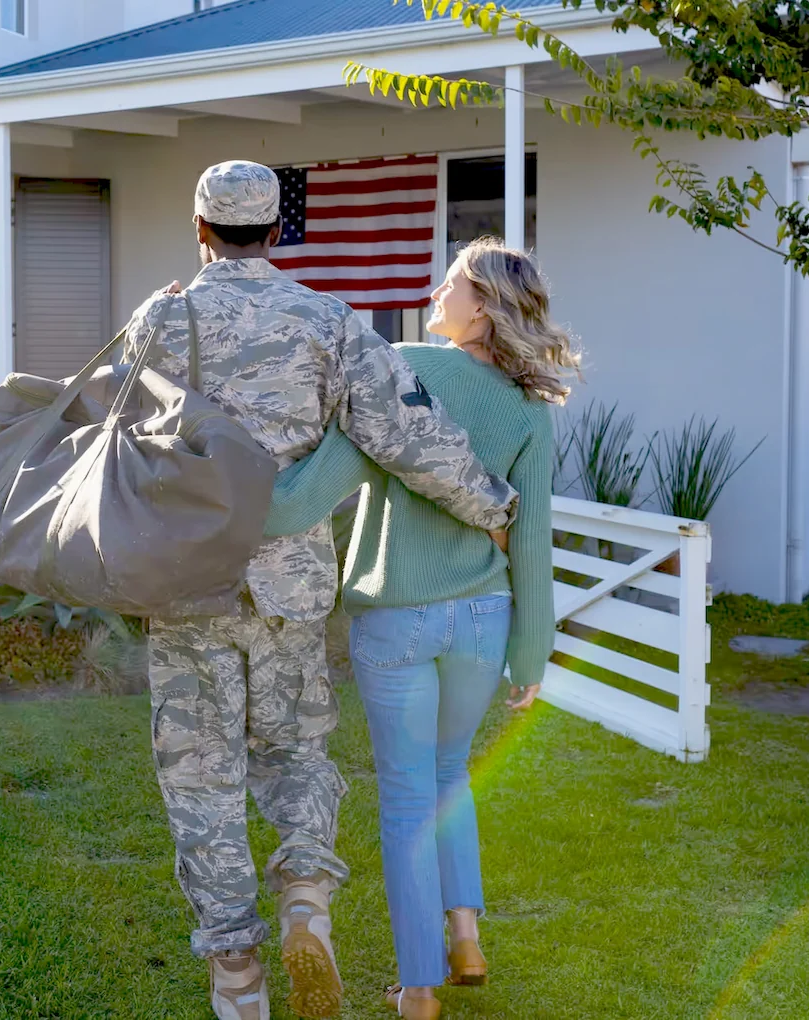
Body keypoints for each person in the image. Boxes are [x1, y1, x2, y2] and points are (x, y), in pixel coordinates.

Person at [122, 162, 518, 1020]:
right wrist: (493, 507)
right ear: (275, 231)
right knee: (297, 754)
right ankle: (306, 900)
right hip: (290, 589)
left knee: (202, 778)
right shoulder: (329, 323)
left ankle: (237, 975)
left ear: (199, 229)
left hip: (189, 584)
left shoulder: (159, 318)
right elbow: (407, 431)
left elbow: (125, 447)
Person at [266, 238, 582, 1019]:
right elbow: (533, 540)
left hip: (399, 618)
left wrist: (229, 487)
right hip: (484, 620)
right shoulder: (529, 408)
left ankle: (417, 989)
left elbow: (301, 501)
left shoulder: (402, 369)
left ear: (485, 308)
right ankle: (466, 934)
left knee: (408, 797)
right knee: (448, 775)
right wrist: (531, 653)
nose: (436, 291)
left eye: (454, 283)